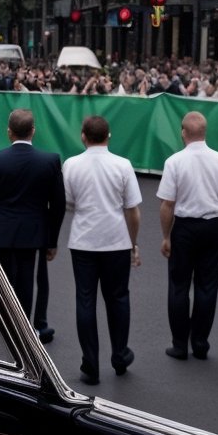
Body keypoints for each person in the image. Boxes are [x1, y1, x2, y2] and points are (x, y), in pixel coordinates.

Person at [63, 115, 142, 386]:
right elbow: (133, 210)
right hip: (116, 240)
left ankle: (90, 363)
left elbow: (69, 203)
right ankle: (120, 355)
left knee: (85, 300)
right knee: (118, 298)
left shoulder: (71, 164)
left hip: (83, 240)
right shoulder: (122, 165)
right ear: (108, 136)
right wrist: (133, 243)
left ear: (83, 136)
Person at [0, 108, 65, 342]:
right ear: (33, 131)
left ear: (9, 132)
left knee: (2, 280)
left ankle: (3, 326)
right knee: (27, 281)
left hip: (1, 229)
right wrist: (52, 240)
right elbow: (57, 205)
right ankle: (23, 329)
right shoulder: (49, 161)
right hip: (33, 231)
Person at [157, 111, 218, 361]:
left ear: (183, 132)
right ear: (204, 132)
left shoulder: (174, 161)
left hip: (186, 227)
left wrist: (166, 236)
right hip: (214, 224)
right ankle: (200, 343)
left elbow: (167, 204)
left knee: (179, 285)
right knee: (207, 286)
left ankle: (179, 344)